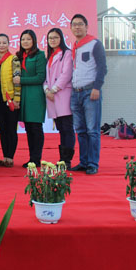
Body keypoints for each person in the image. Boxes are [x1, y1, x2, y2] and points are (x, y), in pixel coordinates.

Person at [69, 14, 107, 175]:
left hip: (90, 91)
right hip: (75, 92)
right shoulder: (75, 46)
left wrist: (97, 88)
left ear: (86, 26)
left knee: (92, 130)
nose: (77, 27)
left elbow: (102, 68)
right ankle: (83, 162)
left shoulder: (94, 44)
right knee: (80, 130)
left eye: (80, 24)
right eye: (74, 24)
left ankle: (92, 163)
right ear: (71, 28)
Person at [13, 30, 46, 168]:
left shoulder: (40, 55)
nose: (25, 42)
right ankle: (31, 158)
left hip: (35, 95)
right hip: (23, 95)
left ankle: (36, 158)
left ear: (34, 41)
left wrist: (22, 80)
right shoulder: (19, 57)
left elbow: (40, 77)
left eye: (28, 39)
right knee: (28, 129)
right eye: (23, 39)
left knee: (36, 128)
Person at [44, 28, 75, 169]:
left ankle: (67, 160)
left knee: (67, 128)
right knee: (61, 128)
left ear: (61, 39)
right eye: (50, 38)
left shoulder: (67, 53)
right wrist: (46, 89)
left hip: (63, 94)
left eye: (55, 37)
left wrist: (54, 89)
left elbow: (66, 74)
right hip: (52, 97)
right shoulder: (50, 56)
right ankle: (62, 159)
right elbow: (46, 78)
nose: (52, 40)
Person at [0, 34, 21, 168]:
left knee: (11, 129)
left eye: (4, 42)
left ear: (9, 44)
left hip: (10, 99)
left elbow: (17, 80)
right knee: (2, 129)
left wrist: (17, 98)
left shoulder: (14, 59)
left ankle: (10, 157)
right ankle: (5, 157)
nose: (1, 45)